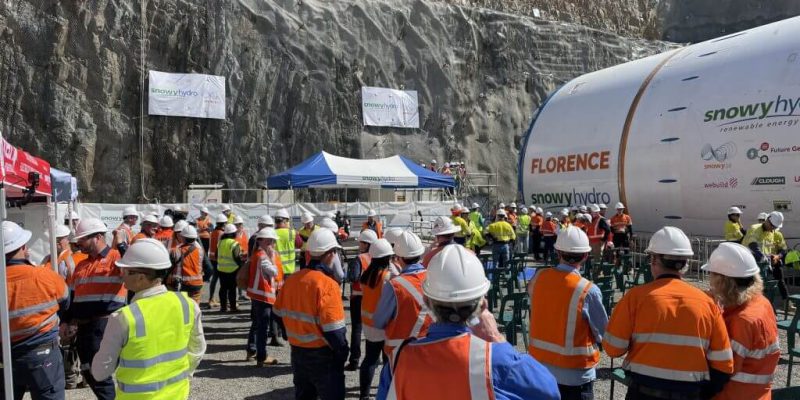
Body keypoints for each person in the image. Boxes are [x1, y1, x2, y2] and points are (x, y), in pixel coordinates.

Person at [377, 244, 560, 400]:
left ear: (426, 302)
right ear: (483, 304)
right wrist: (496, 338)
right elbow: (549, 391)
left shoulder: (397, 361)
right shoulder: (496, 359)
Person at [603, 226, 734, 400]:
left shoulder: (635, 298)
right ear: (686, 263)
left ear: (654, 261)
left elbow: (613, 348)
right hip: (689, 394)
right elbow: (724, 365)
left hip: (642, 394)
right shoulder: (707, 303)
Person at [91, 238, 206, 399]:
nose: (121, 274)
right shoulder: (187, 305)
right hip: (177, 394)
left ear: (141, 277)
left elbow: (100, 372)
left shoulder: (123, 318)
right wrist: (183, 374)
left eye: (125, 270)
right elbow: (197, 350)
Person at [528, 226, 607, 399]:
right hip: (575, 377)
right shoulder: (588, 290)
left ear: (557, 251)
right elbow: (603, 334)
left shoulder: (538, 278)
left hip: (540, 369)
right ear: (585, 256)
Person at [274, 229, 349, 400]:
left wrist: (289, 333)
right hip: (322, 355)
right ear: (330, 254)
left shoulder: (292, 280)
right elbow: (335, 331)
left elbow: (277, 312)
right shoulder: (328, 285)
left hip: (298, 353)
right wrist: (342, 352)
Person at [702, 242, 779, 399]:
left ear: (723, 280)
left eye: (711, 274)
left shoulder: (741, 321)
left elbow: (722, 370)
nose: (709, 280)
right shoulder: (761, 303)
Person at [1, 221, 69, 399]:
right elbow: (65, 302)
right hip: (43, 353)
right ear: (23, 246)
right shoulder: (44, 275)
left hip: (6, 357)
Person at [64, 218, 127, 399]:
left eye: (82, 239)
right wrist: (68, 321)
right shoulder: (82, 264)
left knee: (98, 372)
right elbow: (73, 296)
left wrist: (122, 243)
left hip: (103, 325)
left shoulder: (116, 258)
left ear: (98, 237)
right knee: (88, 370)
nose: (78, 243)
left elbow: (134, 265)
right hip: (85, 327)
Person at [360, 236, 408, 399]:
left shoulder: (366, 276)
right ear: (387, 257)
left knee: (370, 360)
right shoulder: (388, 276)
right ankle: (386, 390)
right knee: (387, 360)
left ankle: (363, 395)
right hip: (384, 324)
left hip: (368, 324)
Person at [373, 230, 433, 358]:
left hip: (400, 352)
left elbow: (379, 321)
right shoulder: (435, 278)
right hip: (430, 348)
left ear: (399, 258)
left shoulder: (394, 285)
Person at [244, 228, 283, 366]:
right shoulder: (263, 256)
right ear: (262, 241)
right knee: (262, 328)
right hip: (263, 297)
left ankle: (253, 351)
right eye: (270, 241)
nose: (272, 244)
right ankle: (261, 356)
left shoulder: (256, 253)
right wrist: (272, 258)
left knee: (257, 325)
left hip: (257, 296)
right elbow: (274, 272)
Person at [742, 211, 790, 309]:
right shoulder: (754, 229)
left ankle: (764, 307)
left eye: (775, 227)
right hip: (748, 263)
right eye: (772, 226)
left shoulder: (772, 232)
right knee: (748, 287)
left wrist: (776, 256)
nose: (773, 229)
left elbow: (782, 248)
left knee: (764, 287)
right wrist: (764, 258)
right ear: (768, 220)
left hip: (763, 264)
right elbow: (753, 245)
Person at [346, 230, 378, 372]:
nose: (359, 244)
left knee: (357, 330)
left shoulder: (359, 259)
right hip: (375, 299)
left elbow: (353, 277)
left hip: (358, 298)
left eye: (361, 242)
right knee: (374, 328)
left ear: (366, 244)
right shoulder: (379, 257)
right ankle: (375, 358)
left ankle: (354, 361)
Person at [169, 225, 209, 304]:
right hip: (196, 285)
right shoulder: (200, 251)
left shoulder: (175, 251)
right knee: (194, 308)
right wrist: (202, 279)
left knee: (181, 307)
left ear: (183, 238)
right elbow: (208, 268)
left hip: (180, 285)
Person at [217, 224, 245, 312]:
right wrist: (241, 266)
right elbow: (236, 257)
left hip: (221, 269)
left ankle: (223, 307)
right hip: (232, 270)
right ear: (233, 233)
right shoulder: (234, 243)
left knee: (223, 289)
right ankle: (233, 307)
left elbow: (218, 254)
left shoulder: (220, 242)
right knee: (232, 289)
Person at [207, 214, 228, 308]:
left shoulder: (213, 232)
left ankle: (211, 298)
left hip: (212, 258)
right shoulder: (222, 234)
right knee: (223, 280)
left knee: (214, 279)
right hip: (219, 259)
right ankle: (219, 299)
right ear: (224, 224)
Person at [275, 209, 297, 277]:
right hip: (291, 269)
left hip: (277, 269)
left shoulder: (272, 233)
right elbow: (299, 243)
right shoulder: (292, 232)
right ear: (286, 221)